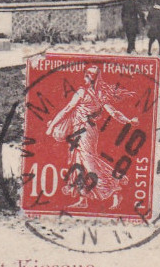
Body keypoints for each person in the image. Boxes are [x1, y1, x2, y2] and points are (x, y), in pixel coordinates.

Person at [46, 65, 138, 210]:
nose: (84, 78)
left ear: (89, 77)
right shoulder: (101, 95)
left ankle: (114, 191)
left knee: (89, 165)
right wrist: (128, 120)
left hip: (84, 132)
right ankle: (83, 199)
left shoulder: (82, 92)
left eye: (86, 76)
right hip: (84, 131)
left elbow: (67, 109)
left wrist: (52, 126)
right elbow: (114, 113)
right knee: (78, 163)